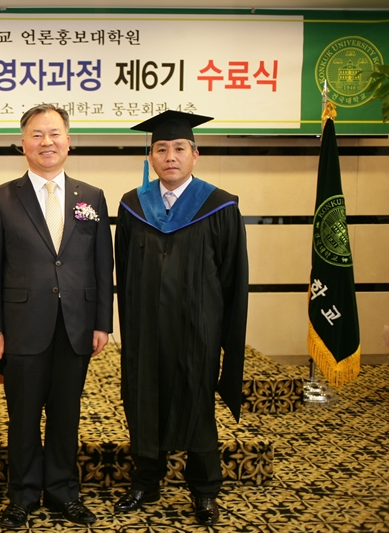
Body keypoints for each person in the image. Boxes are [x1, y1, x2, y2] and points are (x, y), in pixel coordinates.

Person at [0, 104, 113, 529]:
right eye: (37, 135)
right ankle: (21, 495)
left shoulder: (92, 197)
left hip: (76, 325)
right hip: (21, 327)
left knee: (66, 415)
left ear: (68, 141)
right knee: (23, 417)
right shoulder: (1, 198)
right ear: (23, 144)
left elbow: (102, 264)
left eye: (54, 133)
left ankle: (62, 492)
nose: (47, 142)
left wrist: (103, 322)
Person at [114, 110, 249, 526]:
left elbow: (232, 278)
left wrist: (223, 336)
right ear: (150, 157)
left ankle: (205, 490)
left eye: (178, 148)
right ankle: (146, 480)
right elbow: (123, 273)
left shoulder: (219, 205)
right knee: (144, 400)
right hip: (145, 331)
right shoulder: (134, 205)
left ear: (195, 154)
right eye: (161, 149)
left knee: (197, 405)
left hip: (197, 331)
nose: (169, 156)